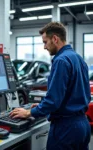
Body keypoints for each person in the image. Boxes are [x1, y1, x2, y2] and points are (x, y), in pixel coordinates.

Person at [10, 22, 91, 150]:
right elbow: (72, 94)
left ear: (55, 39)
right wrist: (42, 107)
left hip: (66, 129)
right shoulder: (78, 59)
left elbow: (53, 101)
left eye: (45, 42)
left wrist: (28, 112)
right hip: (83, 125)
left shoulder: (61, 61)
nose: (44, 47)